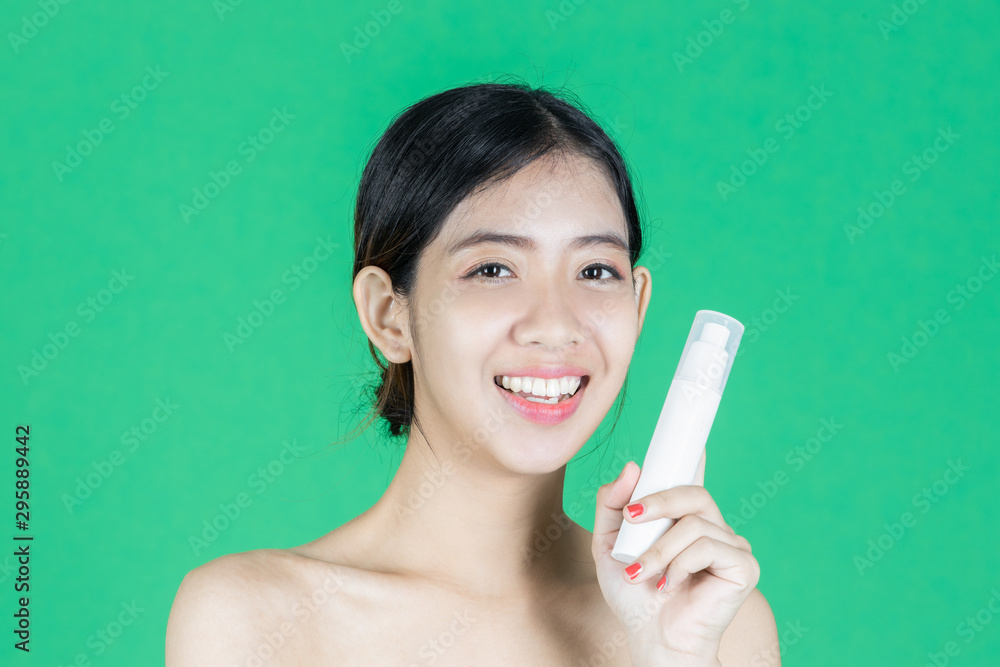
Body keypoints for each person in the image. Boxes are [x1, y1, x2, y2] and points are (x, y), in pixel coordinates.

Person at [166, 79, 780, 666]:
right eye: (492, 269)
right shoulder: (254, 618)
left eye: (595, 271)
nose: (555, 325)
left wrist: (673, 658)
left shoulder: (716, 620)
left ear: (638, 307)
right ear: (388, 315)